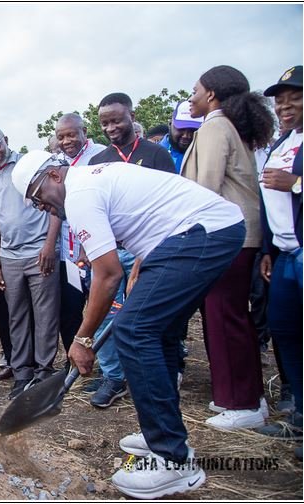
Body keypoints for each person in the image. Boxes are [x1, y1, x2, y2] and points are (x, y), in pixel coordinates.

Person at [12, 152, 246, 498]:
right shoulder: (92, 179)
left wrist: (82, 339)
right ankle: (163, 434)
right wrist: (144, 262)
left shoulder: (80, 195)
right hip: (185, 236)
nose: (41, 207)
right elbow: (147, 214)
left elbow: (107, 276)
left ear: (54, 177)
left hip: (203, 232)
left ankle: (172, 460)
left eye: (38, 197)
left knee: (134, 332)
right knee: (156, 332)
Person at [182, 65, 275, 430]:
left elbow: (204, 189)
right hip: (239, 235)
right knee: (230, 315)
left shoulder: (215, 127)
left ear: (212, 95)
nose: (190, 97)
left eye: (194, 90)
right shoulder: (226, 127)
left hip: (225, 236)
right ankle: (245, 397)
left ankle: (242, 403)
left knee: (224, 316)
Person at [85, 93, 177, 408]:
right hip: (110, 252)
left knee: (144, 321)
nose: (110, 127)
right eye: (104, 122)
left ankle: (156, 377)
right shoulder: (98, 161)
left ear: (131, 115)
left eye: (116, 120)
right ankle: (113, 378)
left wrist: (143, 254)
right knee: (105, 313)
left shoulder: (156, 155)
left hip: (149, 251)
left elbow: (167, 207)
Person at [0, 127, 60, 400]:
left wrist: (50, 245)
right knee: (17, 316)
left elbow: (56, 204)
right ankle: (22, 372)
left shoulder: (29, 166)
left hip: (40, 252)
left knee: (45, 315)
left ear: (6, 141)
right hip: (9, 258)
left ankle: (44, 372)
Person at [255, 65, 303, 450]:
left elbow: (288, 189)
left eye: (295, 99)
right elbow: (271, 203)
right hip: (285, 255)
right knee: (285, 331)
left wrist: (297, 182)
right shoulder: (281, 143)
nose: (286, 107)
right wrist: (269, 250)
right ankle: (298, 414)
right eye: (281, 101)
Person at [52, 114, 105, 355]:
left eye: (71, 134)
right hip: (69, 254)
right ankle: (74, 359)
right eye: (61, 137)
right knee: (70, 309)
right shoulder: (56, 163)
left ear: (84, 131)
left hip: (97, 250)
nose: (66, 141)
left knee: (103, 308)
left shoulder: (101, 156)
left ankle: (107, 366)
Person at [158, 101, 202, 173]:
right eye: (181, 129)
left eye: (192, 130)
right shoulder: (154, 153)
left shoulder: (203, 155)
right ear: (170, 124)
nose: (186, 136)